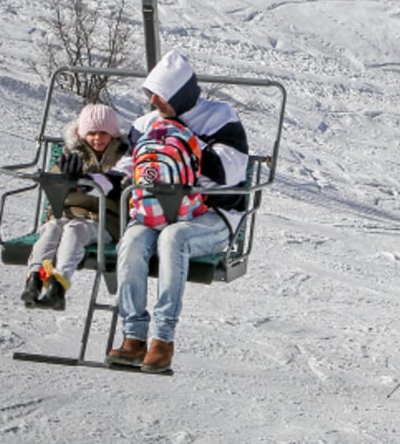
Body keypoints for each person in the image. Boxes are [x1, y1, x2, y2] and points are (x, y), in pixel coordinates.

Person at [104, 51, 249, 373]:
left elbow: (231, 173)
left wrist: (185, 141)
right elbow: (128, 167)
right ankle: (133, 336)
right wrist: (100, 179)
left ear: (181, 93)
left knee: (174, 239)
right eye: (151, 95)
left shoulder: (220, 118)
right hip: (156, 213)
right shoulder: (145, 125)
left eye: (162, 96)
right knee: (132, 241)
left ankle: (162, 340)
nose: (155, 103)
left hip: (213, 216)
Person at [20, 103, 128, 310]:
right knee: (52, 229)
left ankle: (58, 286)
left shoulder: (122, 157)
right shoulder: (72, 155)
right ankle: (34, 279)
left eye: (104, 133)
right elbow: (53, 181)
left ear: (113, 134)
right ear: (82, 133)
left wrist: (87, 181)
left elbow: (120, 183)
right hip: (67, 214)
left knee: (75, 230)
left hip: (105, 220)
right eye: (92, 133)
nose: (98, 138)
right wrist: (62, 175)